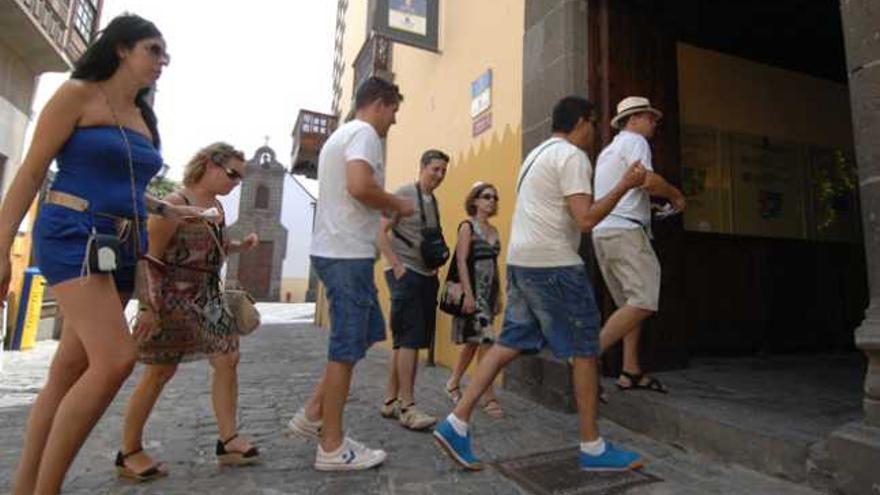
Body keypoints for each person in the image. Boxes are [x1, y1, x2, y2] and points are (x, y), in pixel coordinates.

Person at [0, 15, 206, 494]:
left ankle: (26, 485)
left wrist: (175, 210)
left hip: (122, 246)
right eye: (154, 50)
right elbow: (31, 173)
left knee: (69, 369)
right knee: (115, 360)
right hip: (73, 232)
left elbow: (132, 188)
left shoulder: (142, 116)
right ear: (121, 48)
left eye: (165, 55)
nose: (162, 62)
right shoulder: (77, 94)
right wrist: (3, 243)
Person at [432, 96, 647, 472]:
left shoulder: (535, 156)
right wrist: (626, 184)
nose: (595, 132)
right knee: (584, 349)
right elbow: (586, 219)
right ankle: (592, 447)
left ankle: (457, 421)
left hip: (522, 263)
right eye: (594, 123)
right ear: (582, 122)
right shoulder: (572, 157)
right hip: (555, 266)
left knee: (508, 343)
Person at [286, 77, 415, 471]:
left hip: (339, 252)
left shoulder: (341, 136)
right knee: (345, 348)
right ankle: (332, 446)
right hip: (346, 256)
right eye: (393, 110)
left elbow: (353, 190)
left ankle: (311, 415)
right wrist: (397, 203)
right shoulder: (363, 134)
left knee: (363, 335)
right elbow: (360, 186)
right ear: (379, 103)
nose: (393, 121)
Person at [116, 143, 261, 480]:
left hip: (208, 295)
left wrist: (239, 246)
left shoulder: (219, 208)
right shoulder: (174, 206)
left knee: (228, 358)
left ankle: (228, 440)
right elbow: (150, 257)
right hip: (172, 296)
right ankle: (129, 450)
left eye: (240, 177)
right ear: (209, 165)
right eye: (232, 174)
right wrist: (148, 307)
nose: (236, 182)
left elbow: (215, 246)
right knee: (160, 371)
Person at [593, 96, 686, 393]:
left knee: (629, 304)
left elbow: (629, 190)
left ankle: (630, 371)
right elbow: (647, 180)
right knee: (644, 299)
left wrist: (648, 209)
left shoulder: (609, 151)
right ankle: (585, 355)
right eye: (651, 118)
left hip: (605, 232)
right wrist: (675, 196)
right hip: (625, 233)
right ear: (634, 120)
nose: (655, 124)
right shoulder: (635, 141)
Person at [377, 149, 449, 431]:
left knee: (405, 341)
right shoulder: (404, 193)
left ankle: (389, 401)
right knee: (410, 339)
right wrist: (396, 266)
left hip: (425, 274)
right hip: (406, 273)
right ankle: (408, 407)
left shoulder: (432, 200)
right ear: (422, 167)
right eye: (435, 169)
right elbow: (380, 231)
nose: (440, 175)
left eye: (443, 171)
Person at [443, 182, 504, 418]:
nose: (492, 201)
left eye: (495, 197)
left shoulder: (494, 231)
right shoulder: (467, 227)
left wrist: (498, 295)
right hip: (474, 293)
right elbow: (461, 262)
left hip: (489, 294)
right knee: (486, 342)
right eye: (487, 196)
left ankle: (453, 382)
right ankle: (488, 395)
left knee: (474, 342)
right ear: (475, 200)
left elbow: (494, 265)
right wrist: (468, 294)